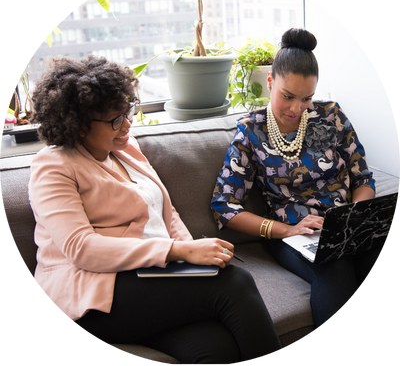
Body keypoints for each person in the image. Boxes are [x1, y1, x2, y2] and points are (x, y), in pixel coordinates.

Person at [28, 55, 281, 364]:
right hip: (92, 294)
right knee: (236, 282)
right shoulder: (53, 166)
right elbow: (81, 249)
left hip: (149, 280)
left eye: (128, 111)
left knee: (215, 350)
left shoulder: (125, 148)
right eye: (115, 119)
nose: (128, 123)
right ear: (79, 125)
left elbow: (167, 212)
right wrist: (178, 252)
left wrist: (193, 256)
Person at [211, 28, 382, 331]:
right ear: (270, 82)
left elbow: (362, 177)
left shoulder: (330, 117)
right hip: (293, 235)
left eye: (306, 98)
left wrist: (356, 216)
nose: (296, 109)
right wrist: (288, 230)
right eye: (287, 96)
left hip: (344, 225)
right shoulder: (251, 133)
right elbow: (224, 207)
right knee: (334, 266)